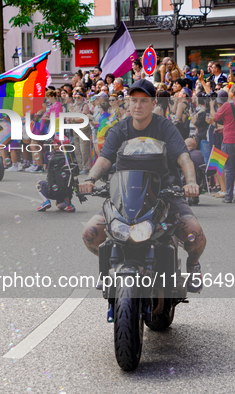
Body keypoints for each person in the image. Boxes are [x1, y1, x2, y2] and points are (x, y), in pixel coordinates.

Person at [80, 79, 206, 293]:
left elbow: (183, 157)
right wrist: (90, 180)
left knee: (195, 233)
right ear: (128, 103)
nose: (138, 105)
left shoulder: (164, 127)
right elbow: (104, 159)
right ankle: (108, 268)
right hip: (124, 196)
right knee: (90, 233)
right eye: (134, 100)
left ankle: (193, 265)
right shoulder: (119, 129)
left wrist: (191, 182)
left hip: (164, 195)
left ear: (153, 102)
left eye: (143, 101)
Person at [210, 83, 235, 204]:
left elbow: (215, 117)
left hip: (229, 140)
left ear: (231, 93)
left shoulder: (228, 104)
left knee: (229, 169)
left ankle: (228, 196)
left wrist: (211, 105)